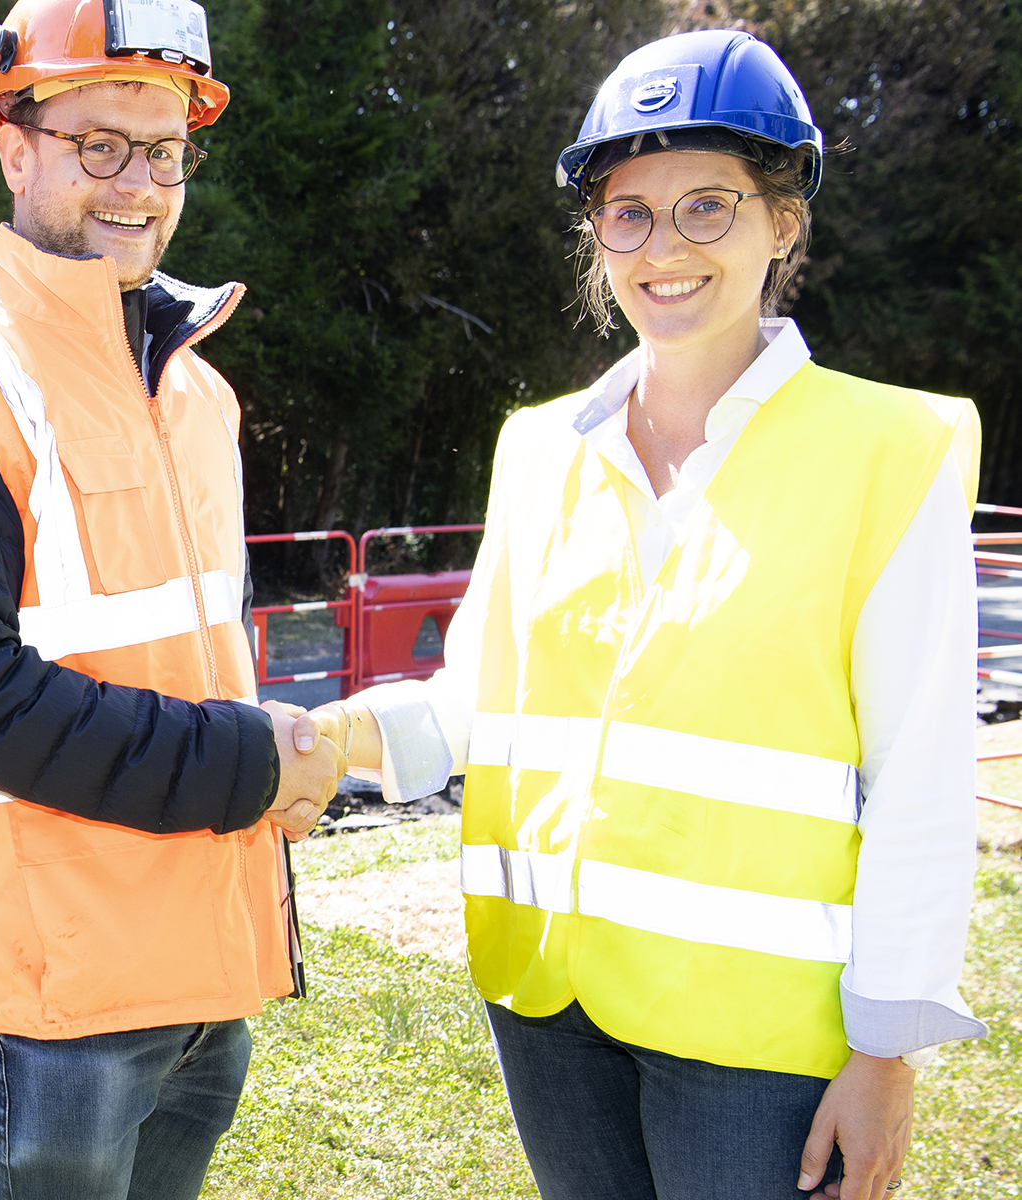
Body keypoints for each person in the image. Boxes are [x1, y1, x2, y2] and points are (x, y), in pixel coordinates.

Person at [292, 30, 983, 1200]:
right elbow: (482, 699)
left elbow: (920, 777)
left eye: (706, 206)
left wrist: (885, 1050)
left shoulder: (889, 451)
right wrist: (323, 741)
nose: (662, 248)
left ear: (783, 221)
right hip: (545, 1003)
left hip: (757, 1034)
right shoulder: (537, 450)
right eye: (627, 214)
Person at [0, 2, 347, 1196]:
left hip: (205, 968)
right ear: (14, 150)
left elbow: (193, 657)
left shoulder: (195, 393)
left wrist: (272, 765)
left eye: (163, 150)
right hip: (57, 1002)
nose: (139, 184)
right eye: (99, 145)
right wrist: (250, 764)